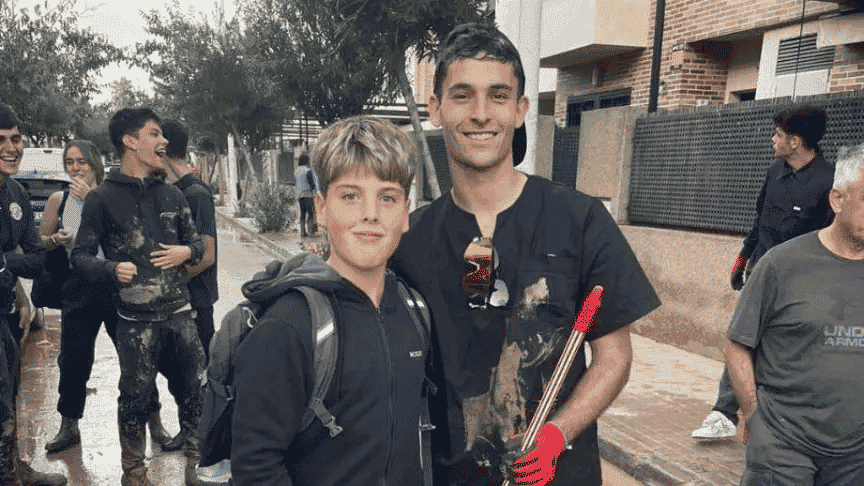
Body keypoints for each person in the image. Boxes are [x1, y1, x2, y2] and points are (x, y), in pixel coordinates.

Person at [390, 23, 660, 486]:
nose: (480, 114)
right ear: (435, 109)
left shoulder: (579, 220)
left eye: (497, 96)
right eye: (461, 95)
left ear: (519, 110)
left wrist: (557, 434)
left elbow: (614, 356)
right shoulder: (407, 240)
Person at [230, 116, 431, 485]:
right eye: (350, 196)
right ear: (321, 208)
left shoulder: (414, 311)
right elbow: (255, 469)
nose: (370, 213)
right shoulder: (290, 326)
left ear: (405, 213)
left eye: (387, 197)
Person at [72, 107, 205, 486]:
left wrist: (186, 253)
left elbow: (196, 245)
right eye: (154, 134)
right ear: (130, 141)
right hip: (134, 322)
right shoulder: (102, 198)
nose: (164, 142)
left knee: (196, 390)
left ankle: (196, 467)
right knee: (135, 399)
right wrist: (110, 270)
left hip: (180, 314)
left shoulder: (173, 195)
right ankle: (134, 474)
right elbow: (80, 256)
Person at [725, 142, 864, 485]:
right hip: (783, 448)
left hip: (855, 458)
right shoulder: (781, 265)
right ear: (837, 199)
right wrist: (754, 417)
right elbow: (738, 344)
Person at [692, 105, 833, 441]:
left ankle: (781, 418)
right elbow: (759, 220)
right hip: (760, 272)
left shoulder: (829, 182)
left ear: (796, 141)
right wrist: (742, 258)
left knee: (784, 350)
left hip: (802, 284)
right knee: (741, 340)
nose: (773, 140)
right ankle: (724, 414)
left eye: (779, 135)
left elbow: (832, 237)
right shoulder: (774, 172)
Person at [44, 140, 130, 453]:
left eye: (82, 161)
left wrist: (91, 200)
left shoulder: (111, 196)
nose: (76, 168)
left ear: (95, 163)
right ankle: (69, 424)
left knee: (133, 355)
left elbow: (126, 238)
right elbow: (42, 240)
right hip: (77, 287)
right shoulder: (59, 199)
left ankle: (153, 420)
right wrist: (54, 239)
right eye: (70, 162)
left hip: (114, 284)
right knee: (73, 358)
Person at [0, 102, 66, 485]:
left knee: (10, 394)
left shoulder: (19, 194)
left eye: (16, 138)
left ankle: (12, 469)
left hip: (11, 308)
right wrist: (14, 263)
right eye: (2, 140)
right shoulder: (52, 199)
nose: (12, 147)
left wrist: (12, 275)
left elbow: (40, 259)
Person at [152, 120, 218, 453]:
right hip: (176, 302)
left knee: (202, 374)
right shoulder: (170, 190)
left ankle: (208, 437)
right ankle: (189, 428)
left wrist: (169, 281)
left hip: (197, 300)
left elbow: (207, 254)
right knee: (181, 372)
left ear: (163, 147)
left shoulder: (195, 193)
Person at [294, 153, 316, 237]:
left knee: (302, 214)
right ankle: (310, 232)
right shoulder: (308, 170)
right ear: (307, 161)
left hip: (299, 195)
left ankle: (302, 232)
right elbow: (312, 184)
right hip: (307, 194)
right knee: (310, 213)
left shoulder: (296, 170)